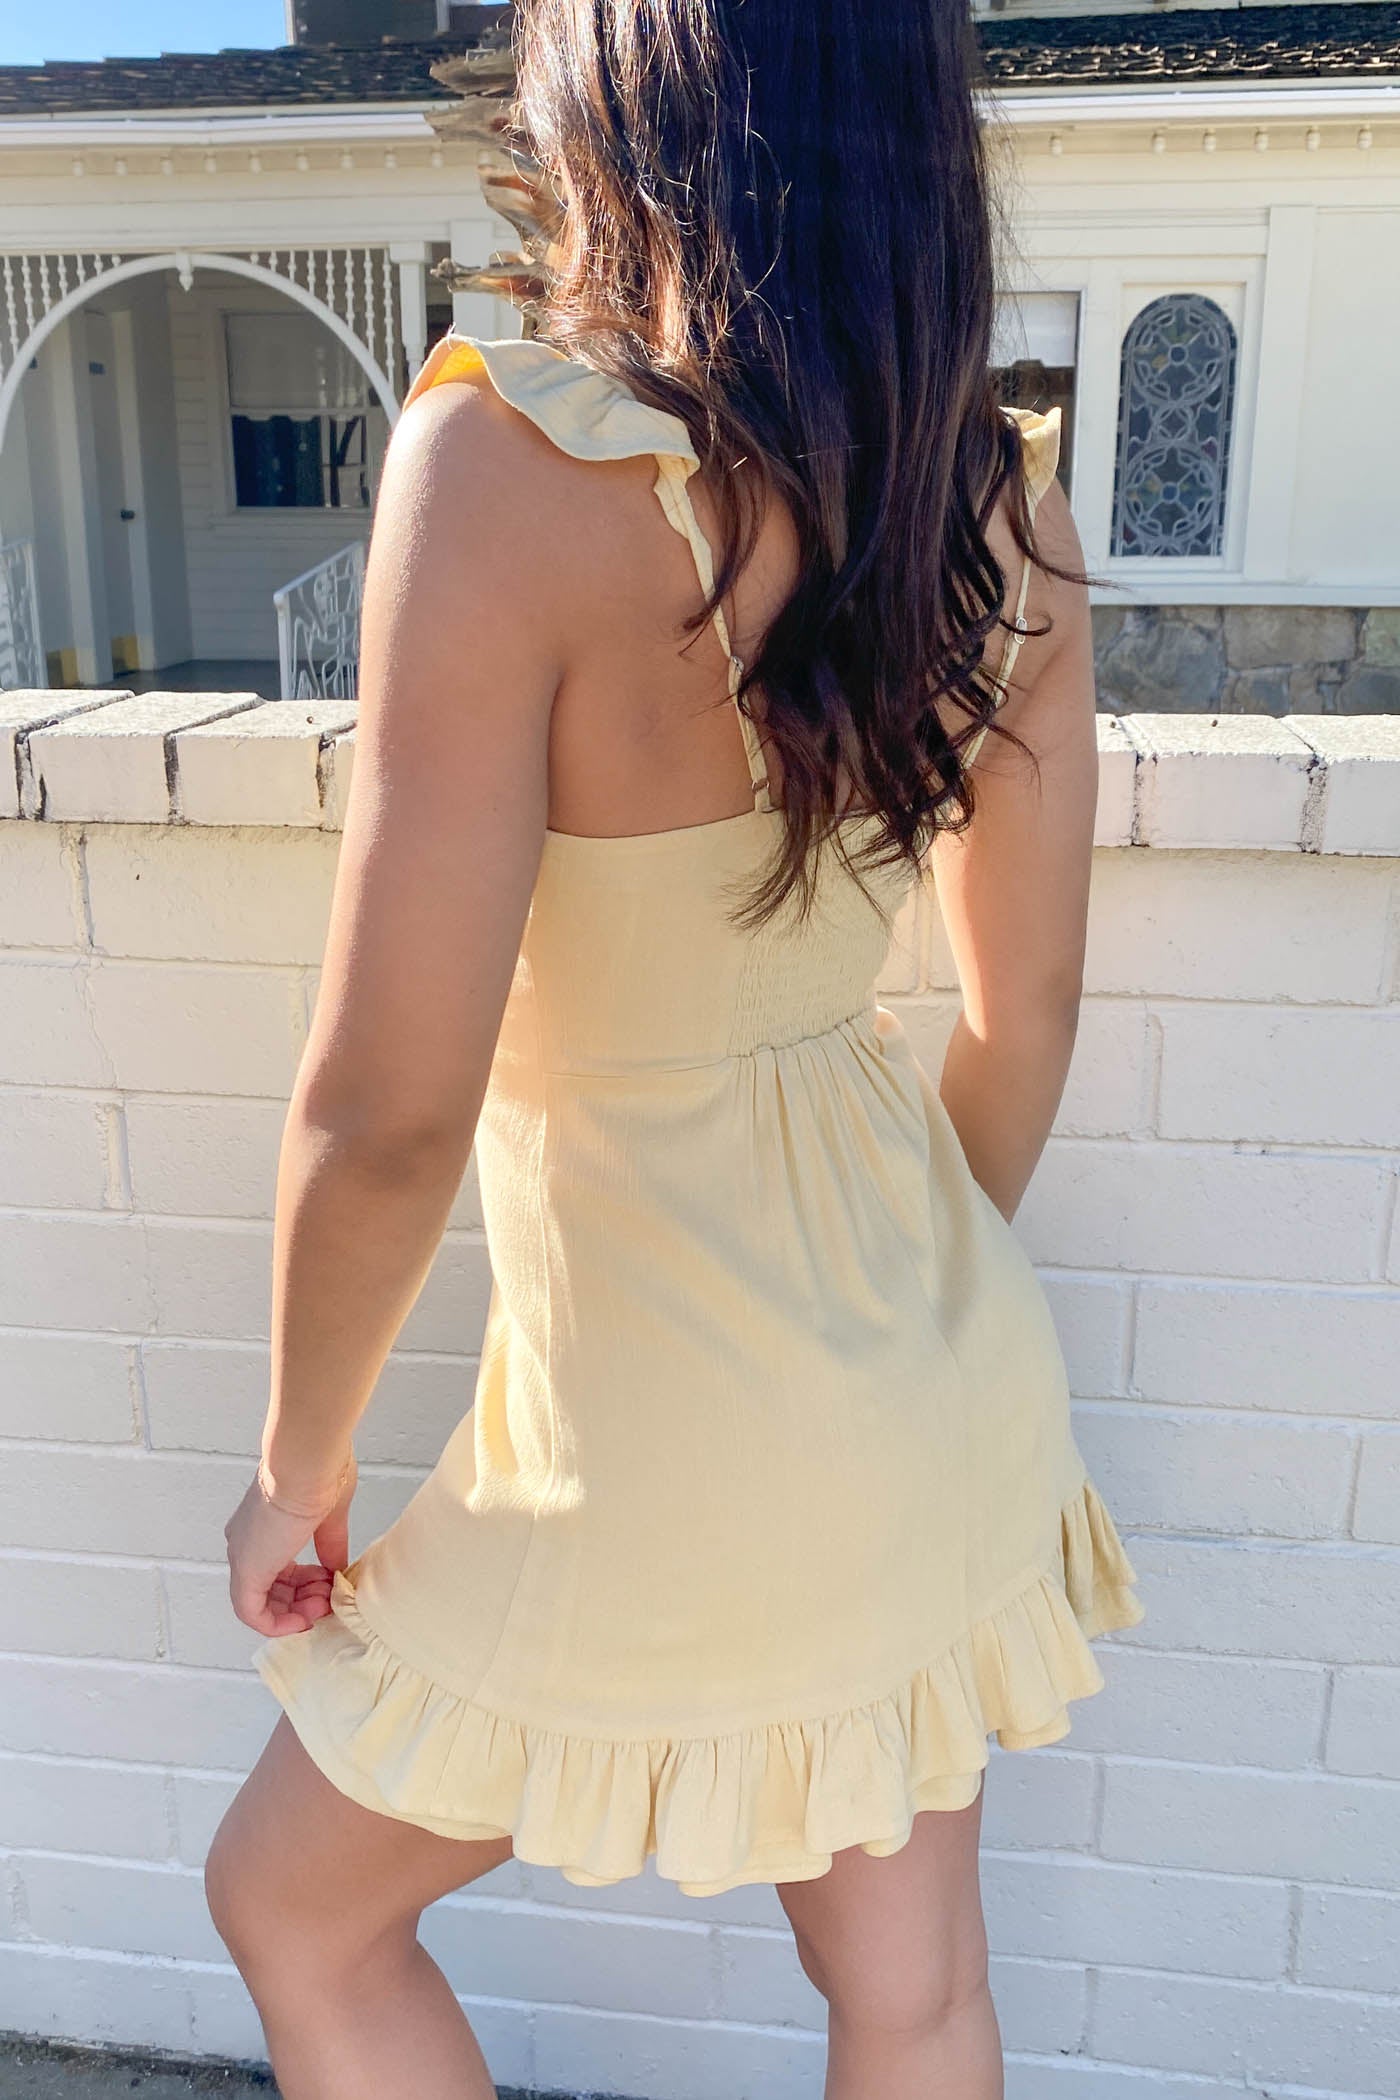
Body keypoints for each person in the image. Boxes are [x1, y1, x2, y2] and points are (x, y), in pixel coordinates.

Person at [205, 2, 1144, 2094]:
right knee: (908, 1991)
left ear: (622, 99)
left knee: (291, 1906)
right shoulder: (1006, 519)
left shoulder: (508, 465)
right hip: (924, 1376)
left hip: (649, 1424)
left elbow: (386, 1112)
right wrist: (873, 1307)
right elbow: (1026, 1016)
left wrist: (298, 1472)